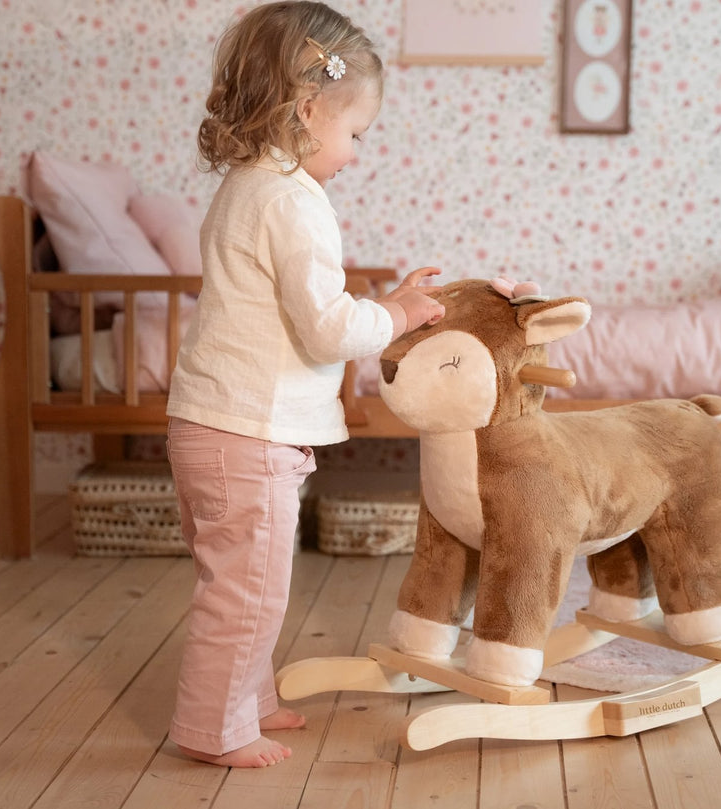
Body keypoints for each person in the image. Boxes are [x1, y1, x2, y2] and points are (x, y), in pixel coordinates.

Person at [164, 1, 445, 769]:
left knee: (245, 582)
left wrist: (390, 306)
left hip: (210, 427)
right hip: (247, 435)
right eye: (355, 134)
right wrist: (393, 313)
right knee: (246, 592)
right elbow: (327, 328)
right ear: (308, 108)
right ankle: (211, 728)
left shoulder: (246, 189)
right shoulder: (295, 201)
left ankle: (247, 700)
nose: (355, 153)